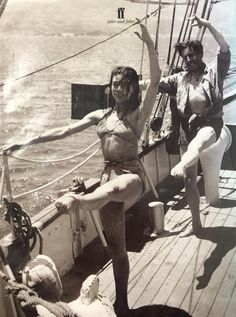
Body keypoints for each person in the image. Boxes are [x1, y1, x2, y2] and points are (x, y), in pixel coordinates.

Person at [1, 22, 160, 316]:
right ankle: (123, 302)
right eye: (115, 84)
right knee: (116, 247)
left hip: (130, 177)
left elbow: (156, 78)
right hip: (107, 177)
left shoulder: (138, 115)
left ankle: (78, 201)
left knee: (112, 189)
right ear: (110, 87)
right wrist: (24, 142)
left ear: (132, 87)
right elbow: (64, 131)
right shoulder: (102, 115)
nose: (119, 88)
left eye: (125, 84)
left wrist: (149, 43)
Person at [156, 15, 230, 237]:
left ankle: (183, 163)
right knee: (189, 181)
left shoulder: (215, 72)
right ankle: (196, 224)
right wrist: (137, 84)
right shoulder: (180, 79)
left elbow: (225, 47)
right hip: (187, 131)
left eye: (193, 55)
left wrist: (207, 25)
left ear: (200, 53)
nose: (189, 60)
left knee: (196, 145)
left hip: (211, 125)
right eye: (185, 57)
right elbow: (155, 84)